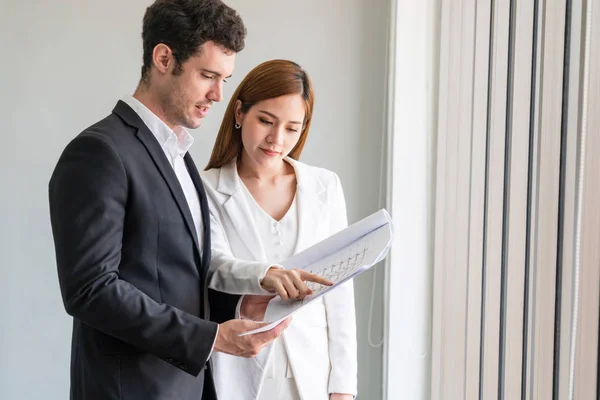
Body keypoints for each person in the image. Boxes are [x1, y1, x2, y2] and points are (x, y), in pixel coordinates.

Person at [48, 1, 290, 399]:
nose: (218, 94)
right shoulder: (99, 152)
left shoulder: (180, 157)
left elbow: (177, 275)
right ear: (163, 58)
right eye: (208, 75)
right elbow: (91, 289)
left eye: (224, 79)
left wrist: (240, 310)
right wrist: (211, 338)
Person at [201, 59, 357, 400]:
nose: (276, 139)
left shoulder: (324, 187)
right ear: (239, 113)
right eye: (266, 121)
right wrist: (264, 274)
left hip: (310, 375)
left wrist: (343, 387)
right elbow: (213, 264)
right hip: (239, 368)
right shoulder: (206, 188)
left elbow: (340, 293)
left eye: (292, 128)